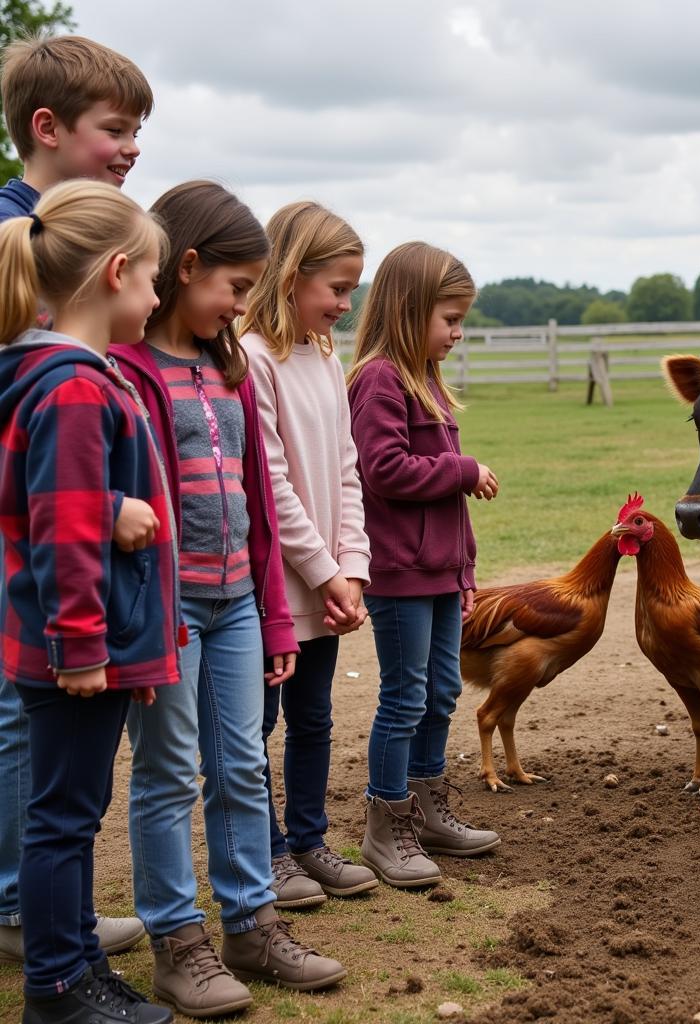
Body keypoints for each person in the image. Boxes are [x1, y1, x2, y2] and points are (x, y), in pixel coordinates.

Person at [111, 181, 346, 1019]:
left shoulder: (230, 368)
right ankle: (177, 941)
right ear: (186, 268)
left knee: (243, 762)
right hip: (165, 611)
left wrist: (276, 613)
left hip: (239, 603)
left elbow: (252, 493)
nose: (240, 307)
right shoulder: (125, 369)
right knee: (170, 772)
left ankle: (252, 922)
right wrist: (144, 618)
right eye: (235, 289)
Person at [0, 180, 176, 1024]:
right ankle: (58, 993)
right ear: (114, 273)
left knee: (72, 816)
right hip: (75, 649)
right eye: (151, 278)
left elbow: (68, 502)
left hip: (99, 642)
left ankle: (79, 969)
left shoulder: (76, 376)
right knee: (62, 823)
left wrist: (131, 646)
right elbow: (63, 527)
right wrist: (84, 650)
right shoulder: (71, 385)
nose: (156, 295)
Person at [346, 240, 502, 889]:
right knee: (405, 695)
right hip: (402, 576)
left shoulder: (425, 380)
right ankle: (387, 824)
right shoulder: (379, 379)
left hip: (438, 575)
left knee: (440, 691)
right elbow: (382, 470)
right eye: (450, 319)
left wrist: (464, 573)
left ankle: (428, 806)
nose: (458, 333)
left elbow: (447, 513)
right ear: (410, 312)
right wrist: (462, 470)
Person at [238, 201, 378, 909]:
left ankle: (308, 841)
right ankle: (265, 856)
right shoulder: (253, 360)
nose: (347, 305)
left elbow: (347, 470)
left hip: (328, 588)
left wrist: (351, 570)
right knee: (259, 727)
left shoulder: (326, 358)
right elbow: (272, 484)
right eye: (338, 288)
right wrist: (324, 571)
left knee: (316, 718)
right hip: (276, 590)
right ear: (292, 276)